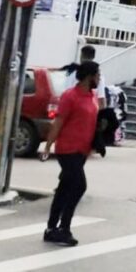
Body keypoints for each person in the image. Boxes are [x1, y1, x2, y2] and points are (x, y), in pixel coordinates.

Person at [41, 61, 100, 247]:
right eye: (97, 75)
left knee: (65, 188)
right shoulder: (70, 96)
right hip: (68, 149)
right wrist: (48, 145)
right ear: (89, 76)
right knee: (79, 186)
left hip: (82, 149)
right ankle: (64, 228)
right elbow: (58, 122)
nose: (99, 78)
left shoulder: (92, 96)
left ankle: (51, 229)